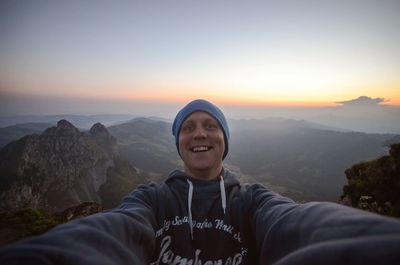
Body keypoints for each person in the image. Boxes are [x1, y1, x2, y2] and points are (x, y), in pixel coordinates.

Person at [1, 99, 400, 265]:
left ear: (225, 140)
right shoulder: (153, 198)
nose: (200, 133)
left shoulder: (253, 201)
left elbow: (298, 224)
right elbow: (113, 232)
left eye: (211, 126)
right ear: (178, 143)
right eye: (188, 128)